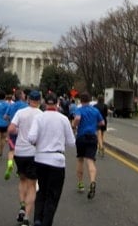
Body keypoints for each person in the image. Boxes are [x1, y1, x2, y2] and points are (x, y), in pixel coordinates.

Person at [27, 92, 76, 226]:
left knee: (41, 191)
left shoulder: (39, 118)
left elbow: (31, 137)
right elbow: (72, 142)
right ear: (57, 104)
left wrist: (39, 143)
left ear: (44, 103)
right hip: (57, 160)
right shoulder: (63, 119)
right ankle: (46, 222)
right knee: (52, 195)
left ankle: (38, 218)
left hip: (40, 158)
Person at [8, 89, 43, 225]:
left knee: (22, 180)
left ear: (28, 100)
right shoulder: (41, 115)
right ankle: (27, 217)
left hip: (20, 151)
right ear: (39, 101)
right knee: (32, 185)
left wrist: (20, 131)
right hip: (33, 152)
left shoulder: (20, 113)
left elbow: (11, 129)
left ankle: (22, 206)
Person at [72, 91, 104, 199]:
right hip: (92, 137)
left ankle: (80, 183)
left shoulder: (79, 109)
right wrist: (94, 124)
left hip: (81, 136)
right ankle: (92, 182)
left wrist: (74, 125)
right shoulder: (95, 110)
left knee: (80, 159)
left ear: (81, 100)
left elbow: (77, 118)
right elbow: (102, 123)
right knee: (90, 161)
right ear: (90, 100)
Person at [4, 89, 28, 180]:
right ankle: (20, 169)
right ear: (21, 96)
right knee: (22, 150)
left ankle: (10, 163)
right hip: (23, 130)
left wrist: (10, 119)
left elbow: (5, 116)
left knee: (12, 149)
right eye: (23, 94)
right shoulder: (26, 106)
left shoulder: (11, 105)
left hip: (13, 129)